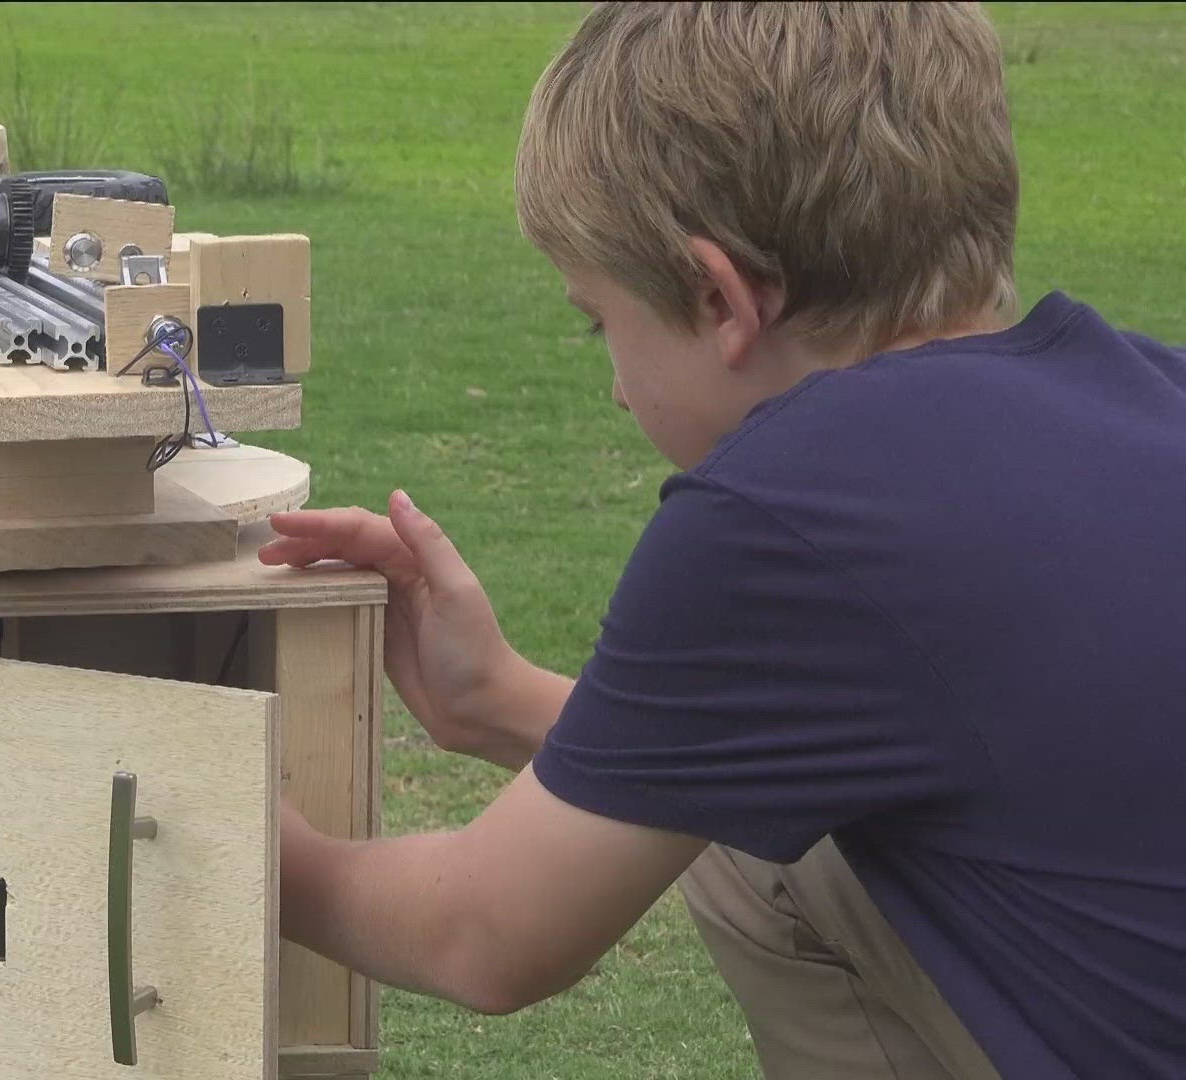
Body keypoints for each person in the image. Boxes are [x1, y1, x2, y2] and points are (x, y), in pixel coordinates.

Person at [264, 4, 1186, 1078]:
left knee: (769, 865)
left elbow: (486, 937)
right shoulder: (1146, 390)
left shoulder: (801, 507)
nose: (611, 385)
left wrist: (252, 846)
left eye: (599, 321)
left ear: (718, 296)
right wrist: (499, 697)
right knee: (770, 839)